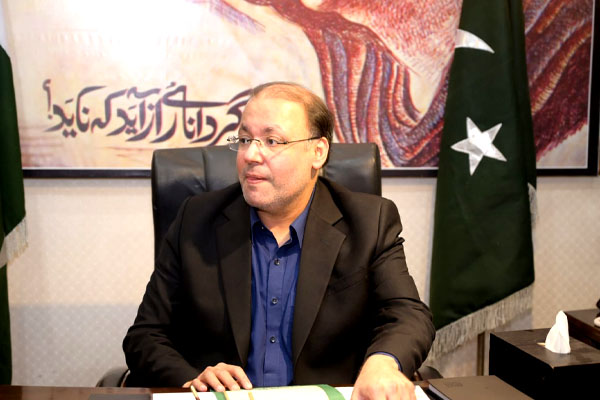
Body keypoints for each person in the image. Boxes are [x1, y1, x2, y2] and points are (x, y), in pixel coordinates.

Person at [123, 81, 435, 400]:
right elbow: (145, 336)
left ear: (317, 152)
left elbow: (407, 314)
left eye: (272, 141)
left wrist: (383, 363)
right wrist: (194, 379)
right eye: (245, 139)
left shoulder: (369, 222)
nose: (250, 154)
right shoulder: (196, 219)